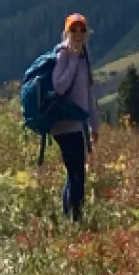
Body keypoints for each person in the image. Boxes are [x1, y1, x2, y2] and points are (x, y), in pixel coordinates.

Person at [49, 13, 100, 222]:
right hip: (63, 124)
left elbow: (88, 93)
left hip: (77, 124)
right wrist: (71, 60)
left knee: (75, 172)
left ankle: (70, 216)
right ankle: (75, 219)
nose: (78, 34)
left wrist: (94, 125)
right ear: (66, 32)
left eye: (82, 30)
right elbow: (59, 86)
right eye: (74, 30)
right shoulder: (63, 54)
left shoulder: (84, 55)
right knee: (77, 172)